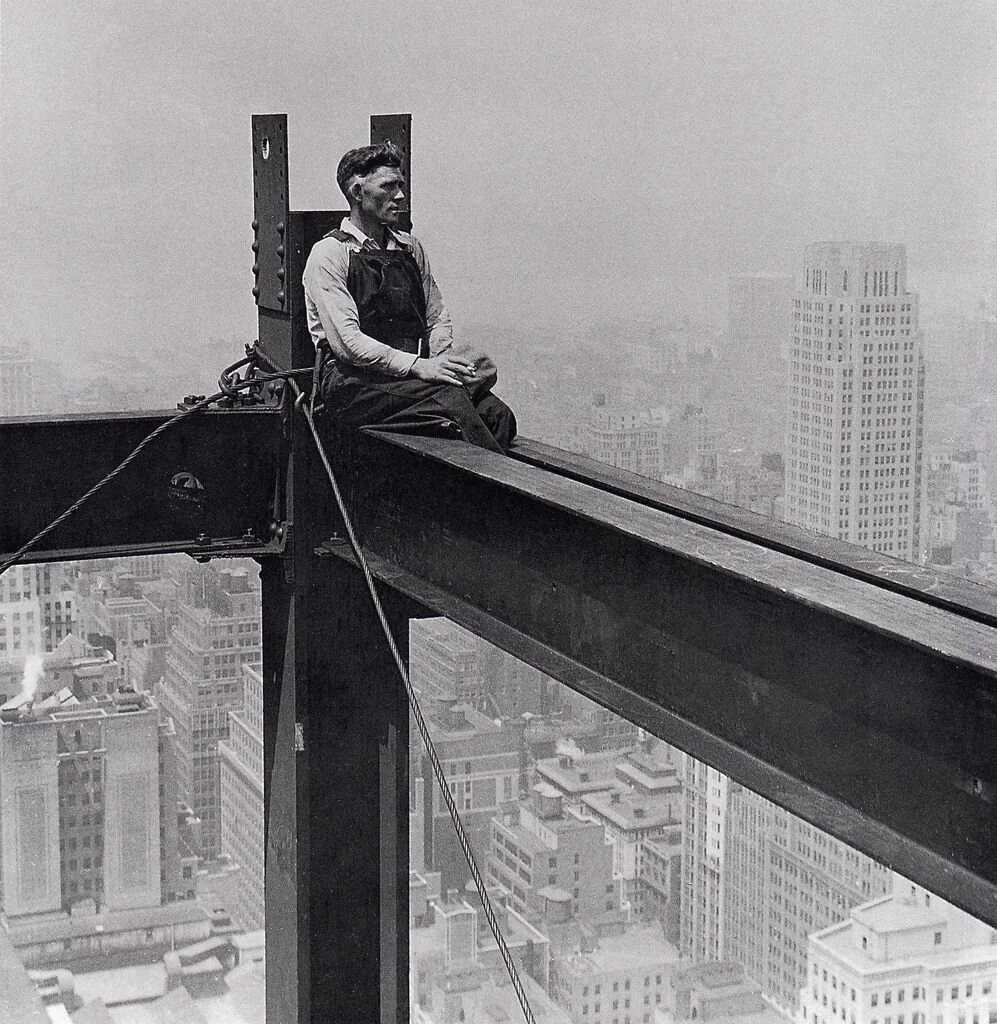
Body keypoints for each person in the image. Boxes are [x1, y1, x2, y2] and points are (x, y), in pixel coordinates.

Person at [302, 143, 516, 453]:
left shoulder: (409, 249)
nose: (400, 196)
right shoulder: (330, 255)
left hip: (407, 376)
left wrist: (441, 359)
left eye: (400, 185)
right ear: (357, 192)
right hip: (352, 383)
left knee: (499, 416)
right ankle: (494, 496)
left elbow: (436, 315)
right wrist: (420, 367)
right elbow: (348, 344)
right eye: (388, 186)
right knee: (451, 402)